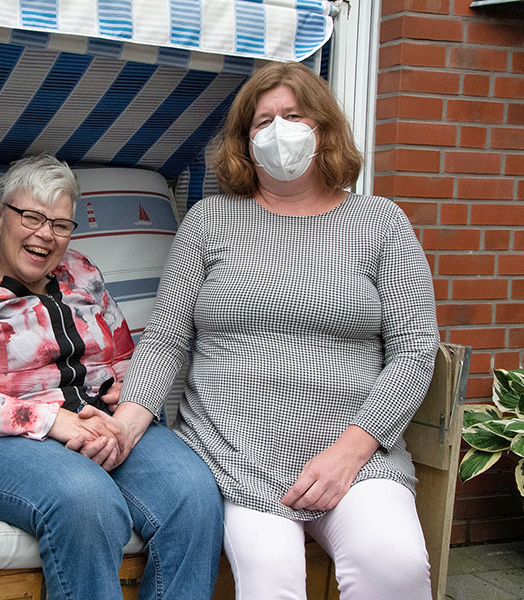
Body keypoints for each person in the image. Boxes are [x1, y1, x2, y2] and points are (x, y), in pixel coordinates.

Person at [113, 62, 440, 599]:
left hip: (352, 450)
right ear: (244, 141)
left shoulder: (380, 222)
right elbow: (167, 338)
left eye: (293, 116)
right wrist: (127, 423)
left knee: (394, 565)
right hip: (233, 451)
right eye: (262, 121)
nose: (277, 131)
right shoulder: (209, 220)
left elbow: (414, 349)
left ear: (324, 130)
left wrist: (351, 451)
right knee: (271, 580)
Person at [0, 154, 223, 600]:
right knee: (87, 501)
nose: (45, 235)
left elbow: (124, 358)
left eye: (60, 224)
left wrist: (120, 418)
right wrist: (51, 421)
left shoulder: (81, 272)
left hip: (98, 418)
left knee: (194, 496)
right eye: (32, 217)